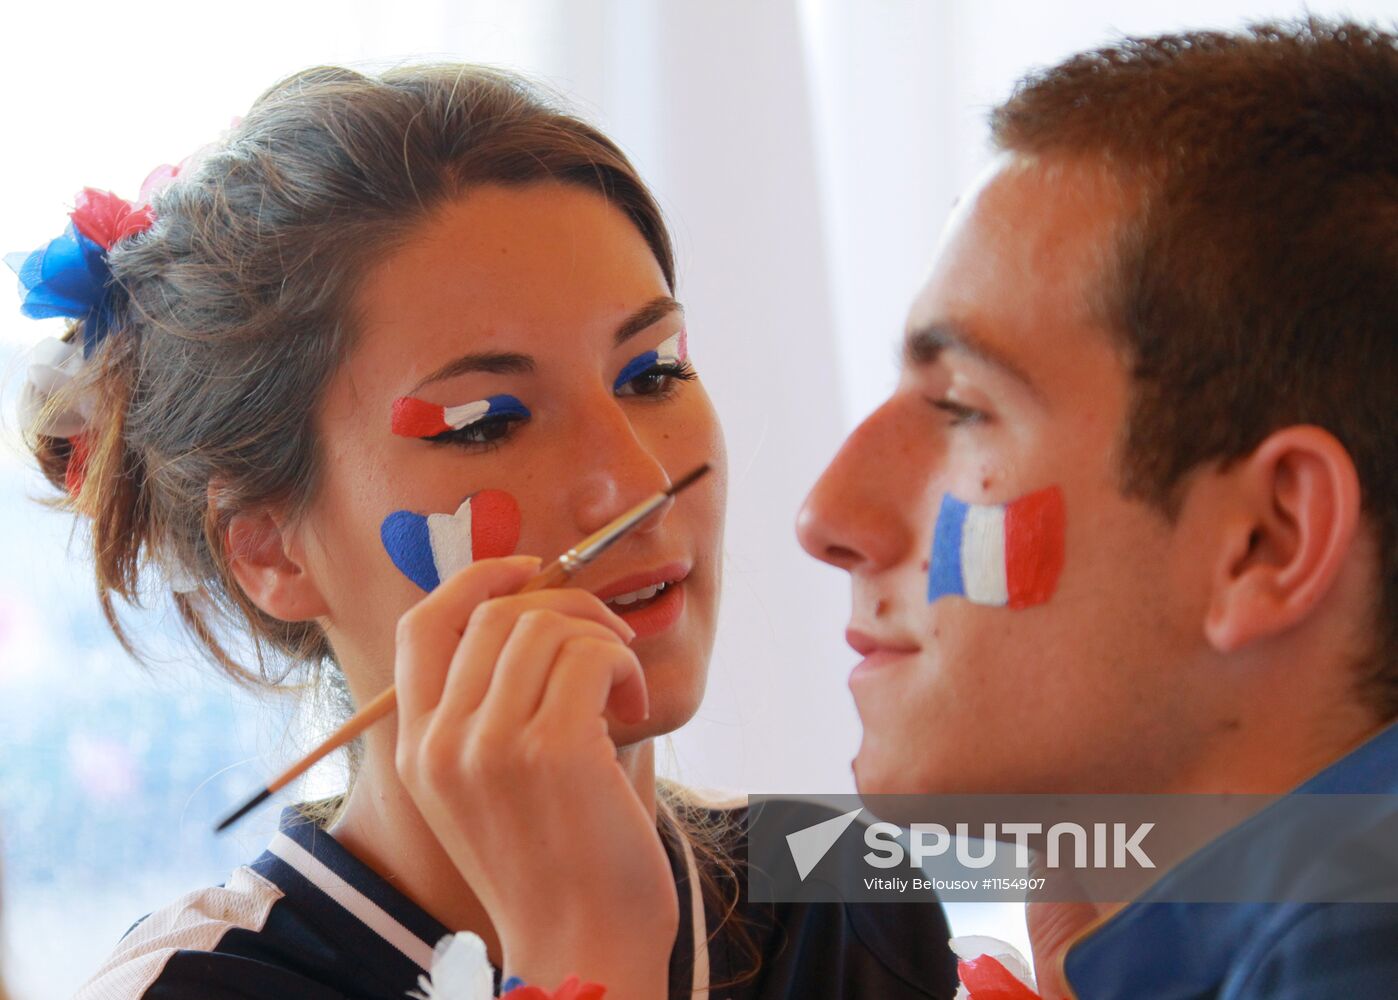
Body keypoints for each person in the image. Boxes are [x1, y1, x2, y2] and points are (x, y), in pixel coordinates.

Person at [10, 66, 957, 999]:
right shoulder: (196, 989)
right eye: (486, 423)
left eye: (653, 374)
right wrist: (586, 946)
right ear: (268, 547)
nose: (637, 482)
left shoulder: (841, 881)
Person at [796, 17, 1398, 1000]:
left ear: (1266, 540)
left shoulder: (1348, 947)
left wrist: (583, 946)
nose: (828, 515)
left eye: (964, 410)